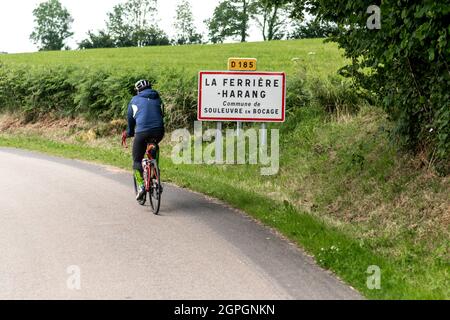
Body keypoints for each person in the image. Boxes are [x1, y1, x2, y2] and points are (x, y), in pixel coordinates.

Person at [123, 79, 165, 201]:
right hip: (158, 131)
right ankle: (155, 176)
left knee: (136, 160)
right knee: (154, 147)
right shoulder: (158, 98)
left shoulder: (134, 100)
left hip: (142, 132)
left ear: (138, 90)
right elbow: (162, 114)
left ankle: (141, 186)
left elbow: (131, 119)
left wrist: (129, 132)